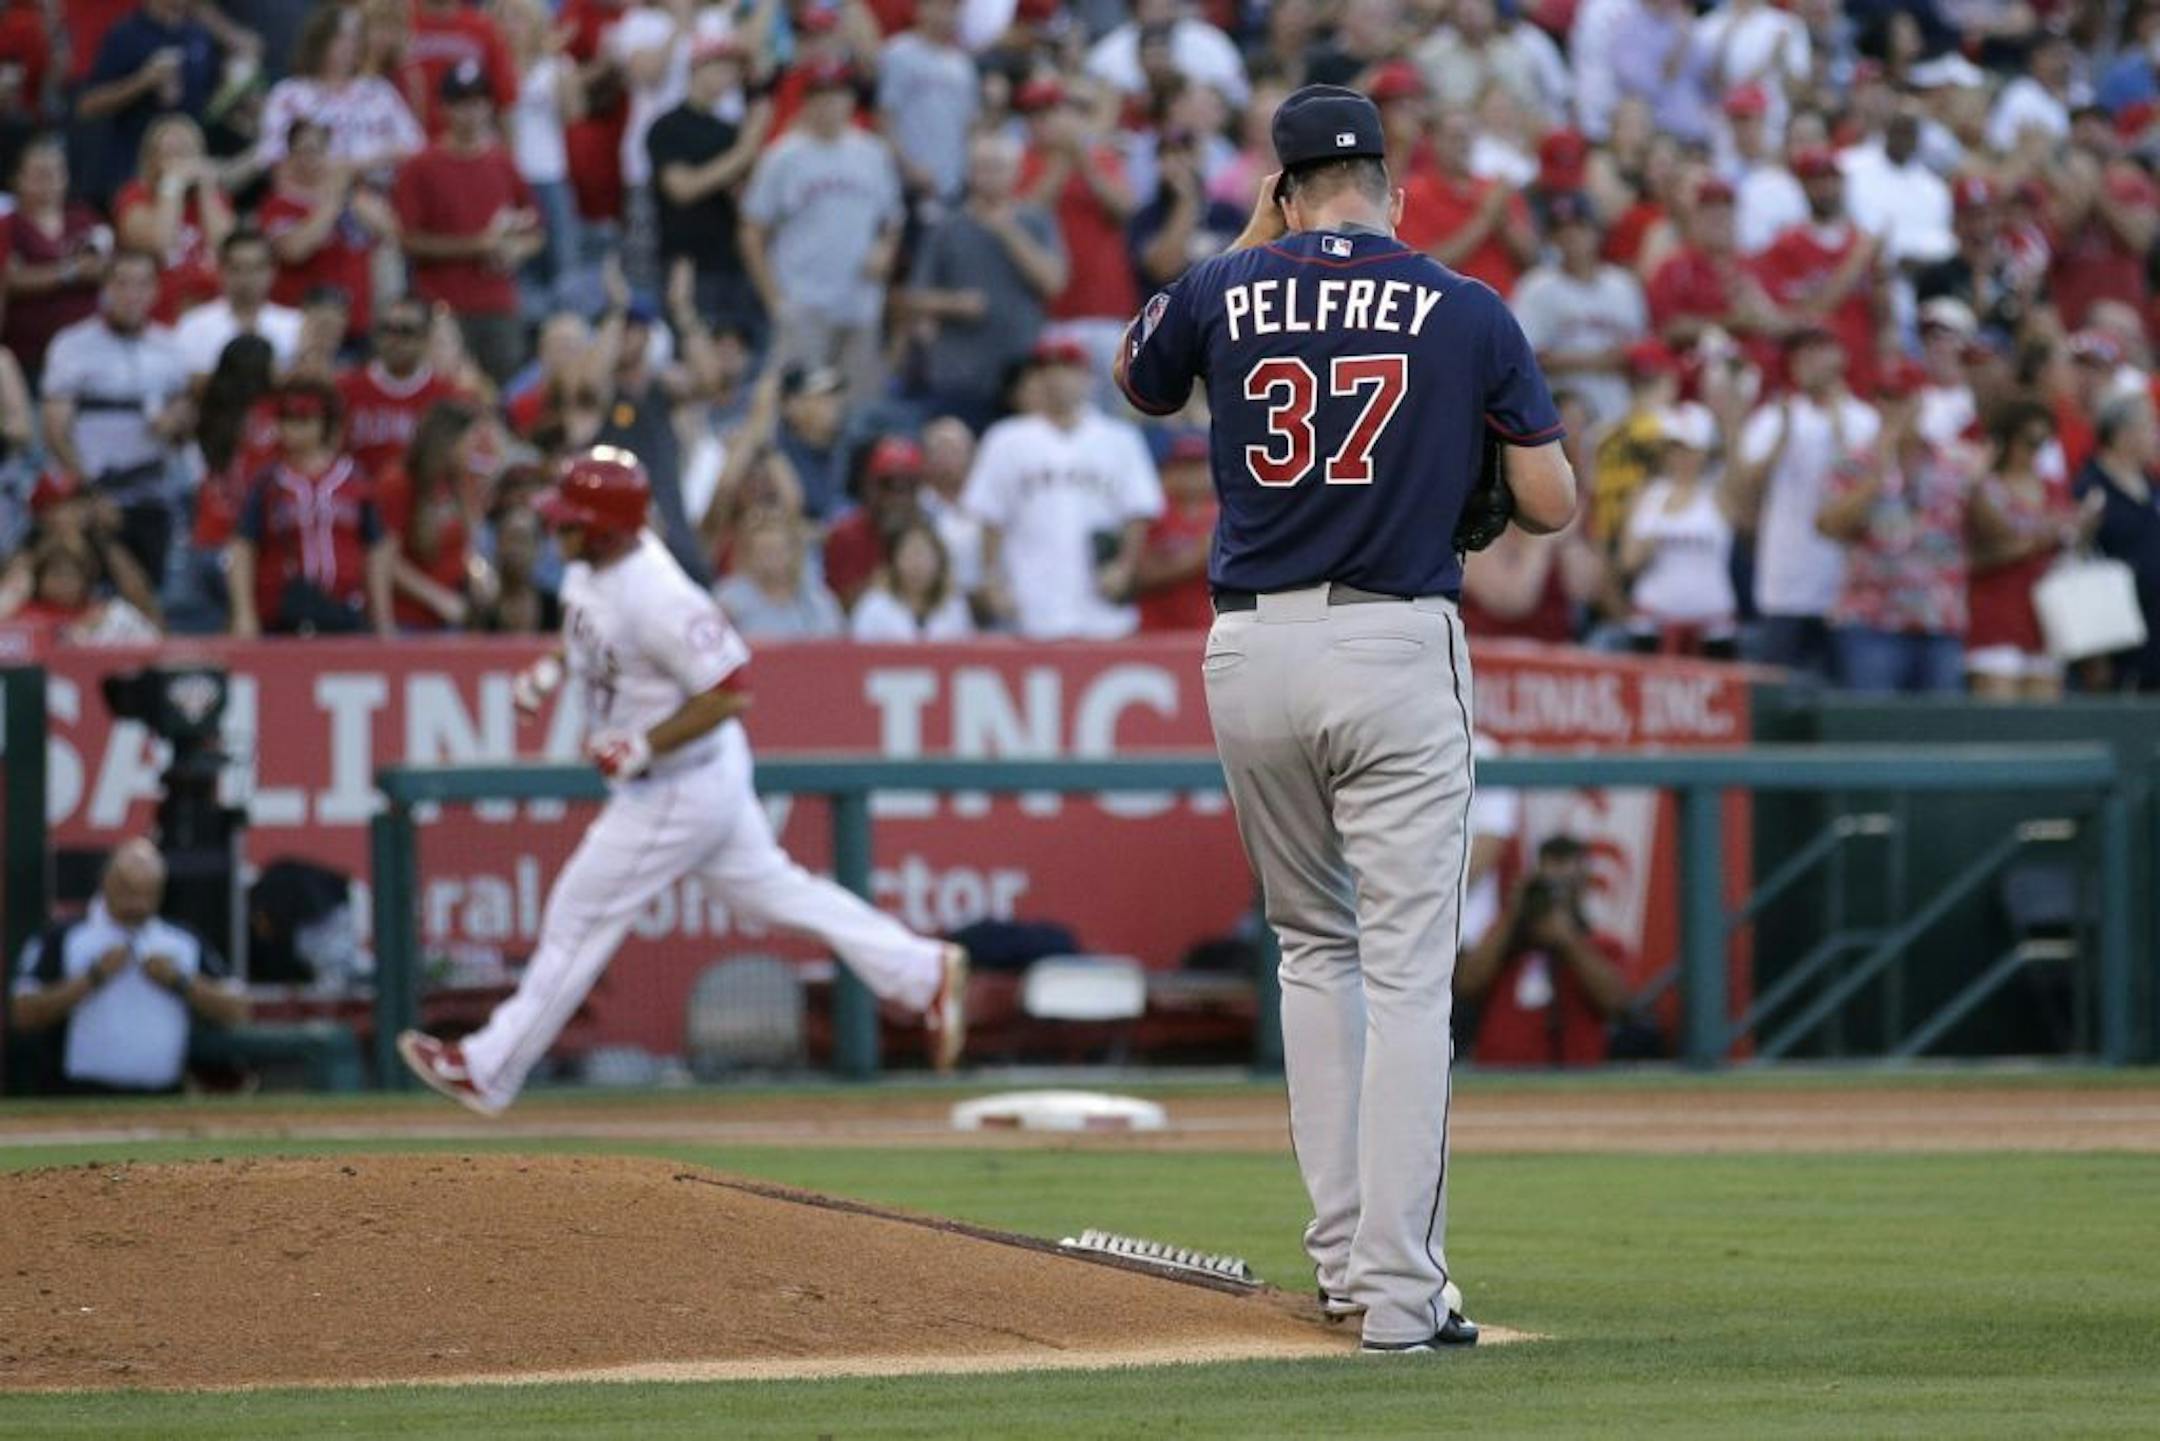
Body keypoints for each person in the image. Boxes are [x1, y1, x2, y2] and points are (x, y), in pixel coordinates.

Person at [1116, 85, 1577, 1353]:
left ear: (1283, 185)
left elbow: (1138, 376)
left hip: (1251, 644)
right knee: (1410, 973)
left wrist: (1248, 254)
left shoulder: (1229, 282)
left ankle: (1340, 1264)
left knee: (1313, 948)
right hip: (1390, 640)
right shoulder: (1465, 303)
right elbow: (1549, 502)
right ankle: (1399, 1292)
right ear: (1391, 183)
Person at [397, 448, 968, 1113]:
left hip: (679, 783)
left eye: (572, 520)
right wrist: (551, 671)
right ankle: (920, 970)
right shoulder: (591, 568)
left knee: (578, 916)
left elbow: (730, 688)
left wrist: (644, 744)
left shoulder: (658, 591)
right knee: (775, 894)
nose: (559, 530)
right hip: (696, 778)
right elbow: (586, 635)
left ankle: (487, 1066)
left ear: (609, 525)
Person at [10, 838, 248, 1094]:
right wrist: (92, 978)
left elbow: (238, 1009)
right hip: (78, 1093)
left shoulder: (182, 940)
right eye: (127, 888)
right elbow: (23, 1012)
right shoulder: (64, 938)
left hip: (162, 1095)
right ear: (106, 882)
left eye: (147, 891)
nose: (137, 902)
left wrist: (180, 981)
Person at [967, 337, 1163, 640]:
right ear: (1035, 379)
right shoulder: (1005, 439)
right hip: (1030, 606)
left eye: (1068, 370)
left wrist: (1124, 568)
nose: (1058, 380)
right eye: (1049, 371)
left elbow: (1139, 512)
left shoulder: (1120, 438)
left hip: (1101, 610)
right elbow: (989, 516)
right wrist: (993, 581)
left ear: (1087, 378)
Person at [739, 59, 903, 406]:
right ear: (807, 101)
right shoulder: (784, 157)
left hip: (860, 304)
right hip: (804, 302)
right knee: (797, 404)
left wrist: (885, 249)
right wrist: (775, 300)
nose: (831, 104)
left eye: (839, 94)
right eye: (822, 95)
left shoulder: (872, 153)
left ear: (850, 100)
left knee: (858, 408)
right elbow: (752, 231)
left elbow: (892, 219)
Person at [1729, 325, 1879, 679]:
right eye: (1801, 354)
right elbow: (1743, 491)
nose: (1808, 361)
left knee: (1845, 704)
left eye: (1817, 350)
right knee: (1776, 700)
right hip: (1785, 582)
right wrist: (1781, 439)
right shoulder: (1775, 417)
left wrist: (1839, 424)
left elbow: (1872, 485)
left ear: (1839, 357)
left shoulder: (1865, 419)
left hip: (1848, 587)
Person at [38, 249, 194, 589]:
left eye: (141, 284)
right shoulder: (73, 345)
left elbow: (184, 423)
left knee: (156, 594)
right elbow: (55, 432)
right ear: (105, 288)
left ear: (156, 290)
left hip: (151, 494)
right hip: (92, 495)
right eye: (122, 283)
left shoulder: (171, 348)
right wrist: (89, 494)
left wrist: (178, 420)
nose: (131, 294)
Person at [1815, 361, 1974, 694]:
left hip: (1938, 618)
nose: (1893, 407)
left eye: (1901, 397)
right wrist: (1877, 475)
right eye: (1885, 397)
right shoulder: (1853, 461)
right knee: (1876, 732)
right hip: (1873, 620)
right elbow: (1827, 525)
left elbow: (1977, 528)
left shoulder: (1954, 462)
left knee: (1942, 734)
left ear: (1919, 400)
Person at [392, 60, 543, 386]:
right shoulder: (421, 167)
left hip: (498, 302)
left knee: (504, 391)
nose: (470, 112)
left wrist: (514, 250)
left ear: (489, 106)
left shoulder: (503, 163)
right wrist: (478, 244)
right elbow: (409, 240)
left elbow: (535, 231)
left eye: (477, 102)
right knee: (442, 390)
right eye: (461, 103)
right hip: (441, 304)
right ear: (444, 108)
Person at [905, 132, 1067, 433]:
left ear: (1017, 172)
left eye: (999, 167)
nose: (990, 176)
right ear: (969, 172)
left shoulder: (1035, 220)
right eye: (983, 167)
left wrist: (1007, 231)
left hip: (1022, 376)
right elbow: (913, 296)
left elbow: (1053, 283)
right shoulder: (946, 226)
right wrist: (953, 304)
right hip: (958, 374)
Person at [227, 379, 394, 637]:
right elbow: (244, 546)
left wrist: (382, 619)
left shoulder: (354, 478)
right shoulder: (269, 481)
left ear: (322, 424)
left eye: (303, 420)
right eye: (287, 420)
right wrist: (244, 615)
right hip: (283, 612)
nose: (293, 430)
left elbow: (376, 547)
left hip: (345, 609)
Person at [1454, 834, 1635, 1068]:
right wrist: (1513, 917)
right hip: (1498, 1079)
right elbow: (1466, 986)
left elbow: (1616, 1003)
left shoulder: (1602, 943)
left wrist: (1568, 941)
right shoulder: (1504, 940)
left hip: (1574, 1082)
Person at [1967, 399, 2096, 700]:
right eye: (2029, 441)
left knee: (2045, 726)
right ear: (2007, 440)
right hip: (1997, 614)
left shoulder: (2053, 487)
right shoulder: (1987, 487)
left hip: (2047, 617)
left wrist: (2079, 528)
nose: (2035, 451)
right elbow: (1992, 537)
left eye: (2043, 442)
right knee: (1999, 723)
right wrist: (2046, 537)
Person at [647, 37, 770, 342]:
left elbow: (747, 198)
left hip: (732, 260)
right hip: (687, 264)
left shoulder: (727, 131)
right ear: (696, 69)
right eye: (720, 67)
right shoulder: (668, 126)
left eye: (732, 71)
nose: (726, 77)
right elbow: (682, 188)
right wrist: (745, 150)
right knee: (693, 350)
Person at [1509, 191, 1648, 426]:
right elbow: (1523, 359)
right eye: (1561, 229)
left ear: (1596, 232)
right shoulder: (1537, 287)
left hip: (1620, 405)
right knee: (1572, 414)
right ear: (1551, 238)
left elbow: (1641, 353)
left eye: (1579, 227)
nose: (1571, 236)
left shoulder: (1623, 286)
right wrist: (1598, 361)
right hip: (1560, 406)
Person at [260, 117, 400, 340]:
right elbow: (293, 250)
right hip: (301, 327)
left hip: (356, 323)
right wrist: (332, 199)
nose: (312, 160)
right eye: (304, 151)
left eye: (318, 151)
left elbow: (392, 232)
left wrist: (351, 193)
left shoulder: (354, 199)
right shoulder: (278, 205)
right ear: (290, 156)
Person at [1619, 402, 1738, 657]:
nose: (1681, 457)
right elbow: (1627, 562)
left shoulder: (1720, 494)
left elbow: (1741, 474)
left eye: (1689, 449)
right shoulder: (1645, 495)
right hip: (1652, 621)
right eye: (1674, 448)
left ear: (1705, 452)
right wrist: (1646, 549)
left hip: (1712, 625)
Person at [252, 1, 424, 175]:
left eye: (356, 39)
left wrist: (365, 162)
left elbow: (416, 145)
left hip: (376, 190)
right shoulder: (289, 94)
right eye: (342, 38)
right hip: (313, 193)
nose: (350, 47)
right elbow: (271, 156)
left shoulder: (378, 91)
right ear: (320, 40)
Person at [1, 136, 109, 383]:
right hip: (29, 354)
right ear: (18, 179)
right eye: (40, 173)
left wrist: (41, 273)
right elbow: (11, 279)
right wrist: (71, 271)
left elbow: (107, 266)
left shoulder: (85, 218)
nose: (49, 180)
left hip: (87, 352)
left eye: (56, 172)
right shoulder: (9, 225)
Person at [2075, 393, 2160, 692]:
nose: (2156, 436)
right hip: (2116, 642)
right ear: (2123, 434)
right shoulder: (2091, 487)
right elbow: (2078, 563)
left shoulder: (2150, 485)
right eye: (2150, 426)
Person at [113, 113, 232, 324]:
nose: (179, 163)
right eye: (169, 154)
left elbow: (226, 248)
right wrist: (172, 186)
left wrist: (206, 191)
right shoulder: (134, 195)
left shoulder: (213, 197)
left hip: (212, 311)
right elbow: (160, 245)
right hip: (159, 314)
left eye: (185, 153)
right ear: (152, 160)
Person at [375, 399, 483, 631]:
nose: (475, 451)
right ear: (449, 442)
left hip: (452, 616)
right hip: (409, 620)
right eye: (470, 443)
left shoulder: (458, 482)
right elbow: (385, 562)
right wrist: (437, 598)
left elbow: (465, 543)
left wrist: (477, 572)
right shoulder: (399, 482)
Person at [335, 294, 466, 480]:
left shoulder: (446, 396)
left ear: (425, 337)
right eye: (387, 329)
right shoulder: (345, 389)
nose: (394, 339)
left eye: (406, 331)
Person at [172, 227, 305, 377]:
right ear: (221, 271)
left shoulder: (295, 325)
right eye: (237, 268)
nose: (247, 277)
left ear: (272, 271)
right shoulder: (193, 325)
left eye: (256, 268)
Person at [1132, 430, 1218, 633]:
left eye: (1199, 466)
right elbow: (1135, 576)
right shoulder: (1151, 512)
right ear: (1166, 473)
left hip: (1211, 634)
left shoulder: (1229, 514)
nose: (1192, 477)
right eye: (1183, 467)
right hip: (1156, 633)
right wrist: (1196, 556)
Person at [712, 508, 845, 638]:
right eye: (764, 552)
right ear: (747, 556)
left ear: (795, 553)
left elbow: (836, 647)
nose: (772, 560)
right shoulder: (728, 601)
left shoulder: (819, 601)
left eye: (779, 551)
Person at [850, 518, 972, 641]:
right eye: (909, 556)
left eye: (923, 556)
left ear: (939, 562)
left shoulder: (954, 605)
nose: (916, 565)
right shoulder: (873, 605)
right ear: (894, 561)